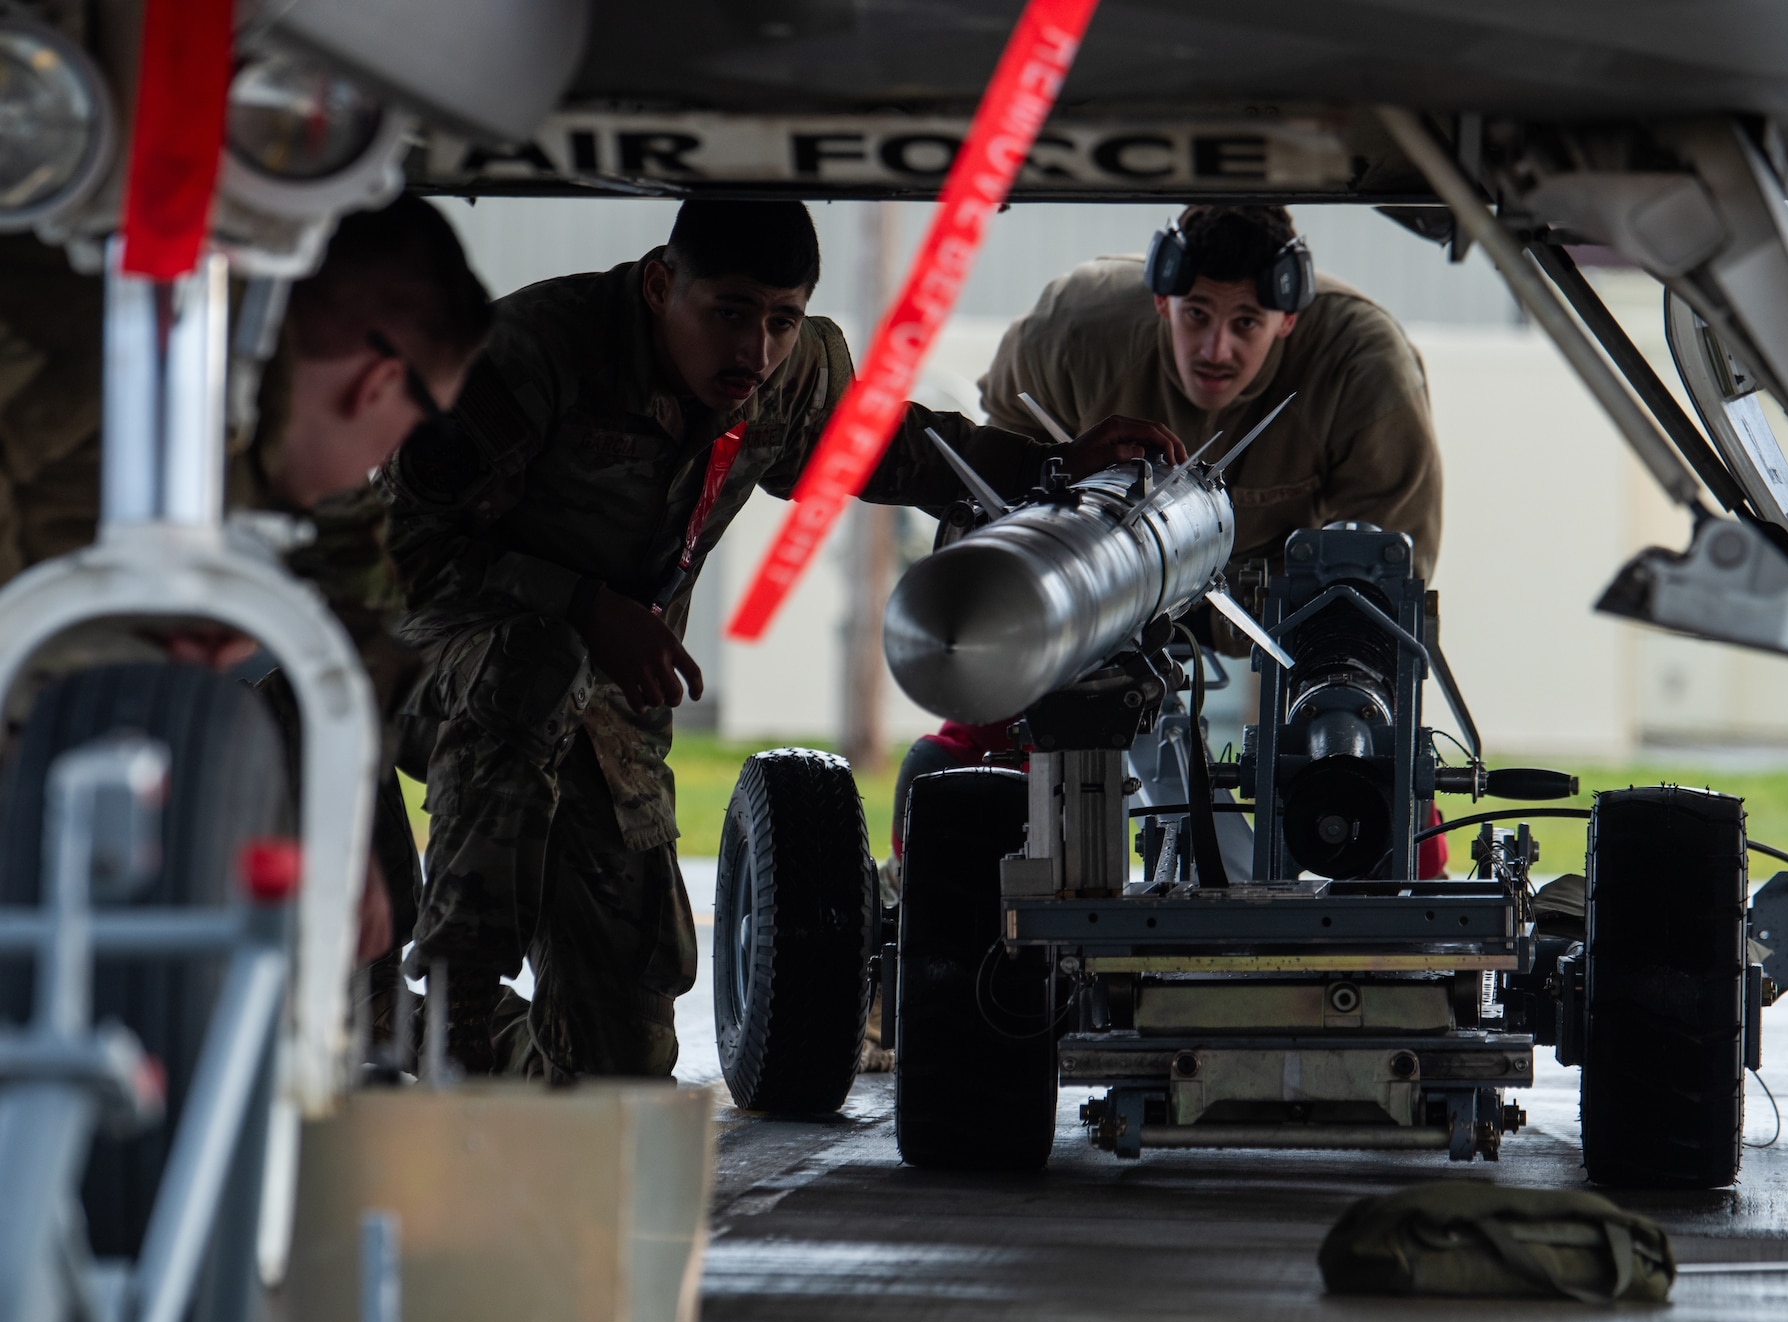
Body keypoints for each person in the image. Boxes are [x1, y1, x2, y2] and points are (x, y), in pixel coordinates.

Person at [383, 199, 1181, 1080]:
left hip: (612, 703)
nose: (754, 351)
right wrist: (582, 604)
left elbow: (897, 449)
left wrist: (1052, 467)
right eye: (728, 312)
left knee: (622, 1066)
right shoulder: (535, 353)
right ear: (660, 286)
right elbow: (402, 547)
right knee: (534, 659)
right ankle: (457, 986)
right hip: (436, 664)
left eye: (780, 320)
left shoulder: (793, 375)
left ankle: (422, 1031)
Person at [0, 194, 492, 981]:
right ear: (377, 383)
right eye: (409, 428)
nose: (380, 463)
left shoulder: (253, 405)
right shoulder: (101, 373)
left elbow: (361, 607)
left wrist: (341, 832)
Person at [893, 203, 1447, 888]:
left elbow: (1385, 587)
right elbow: (1002, 481)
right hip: (1103, 569)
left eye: (1246, 323)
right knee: (973, 742)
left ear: (1289, 317)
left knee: (1369, 767)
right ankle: (924, 891)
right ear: (1161, 299)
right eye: (1196, 315)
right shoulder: (1075, 329)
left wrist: (1332, 701)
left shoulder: (1363, 368)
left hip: (1280, 593)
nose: (1217, 349)